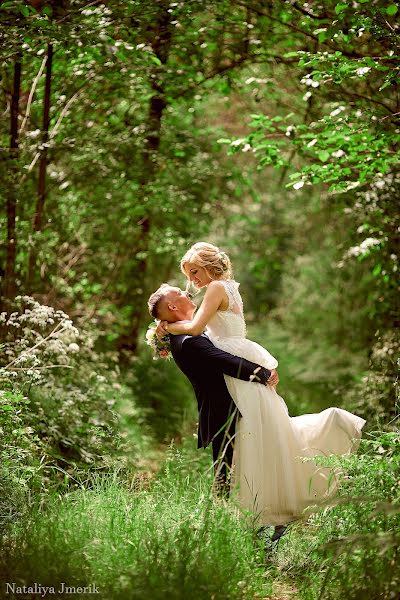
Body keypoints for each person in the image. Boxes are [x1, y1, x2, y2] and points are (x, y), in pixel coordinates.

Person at [155, 242, 366, 530]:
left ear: (208, 266)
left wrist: (166, 328)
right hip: (240, 354)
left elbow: (193, 329)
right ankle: (260, 512)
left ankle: (257, 512)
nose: (192, 281)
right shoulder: (227, 287)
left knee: (253, 439)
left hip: (237, 363)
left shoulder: (216, 288)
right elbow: (201, 328)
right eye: (188, 275)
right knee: (264, 436)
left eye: (194, 272)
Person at [147, 284, 279, 497]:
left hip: (231, 405)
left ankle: (236, 515)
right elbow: (224, 361)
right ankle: (227, 518)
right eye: (179, 293)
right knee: (227, 473)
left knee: (230, 471)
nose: (186, 292)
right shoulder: (188, 341)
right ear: (172, 306)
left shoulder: (186, 333)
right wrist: (262, 373)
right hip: (224, 410)